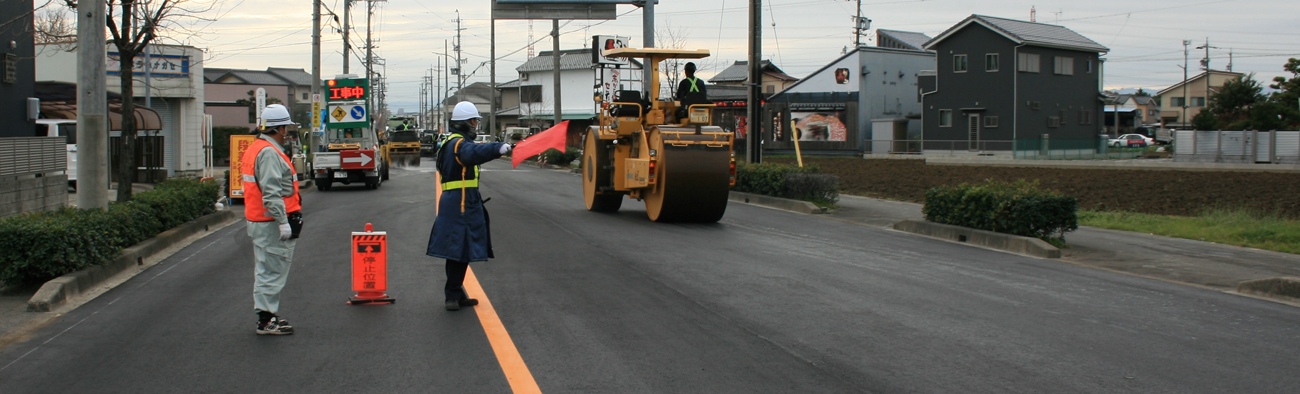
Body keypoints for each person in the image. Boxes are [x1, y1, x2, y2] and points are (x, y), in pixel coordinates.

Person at [427, 101, 512, 311]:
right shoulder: (458, 144)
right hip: (460, 202)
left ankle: (456, 292)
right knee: (457, 248)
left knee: (461, 248)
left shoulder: (451, 142)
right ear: (464, 123)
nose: (475, 125)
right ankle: (452, 296)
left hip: (461, 200)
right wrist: (498, 148)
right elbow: (472, 153)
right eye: (474, 121)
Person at [241, 104, 302, 335]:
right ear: (278, 128)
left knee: (266, 269)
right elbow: (271, 192)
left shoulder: (257, 148)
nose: (288, 133)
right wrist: (283, 221)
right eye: (286, 127)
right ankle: (266, 321)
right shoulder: (268, 152)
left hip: (260, 220)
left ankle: (267, 316)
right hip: (271, 223)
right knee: (272, 271)